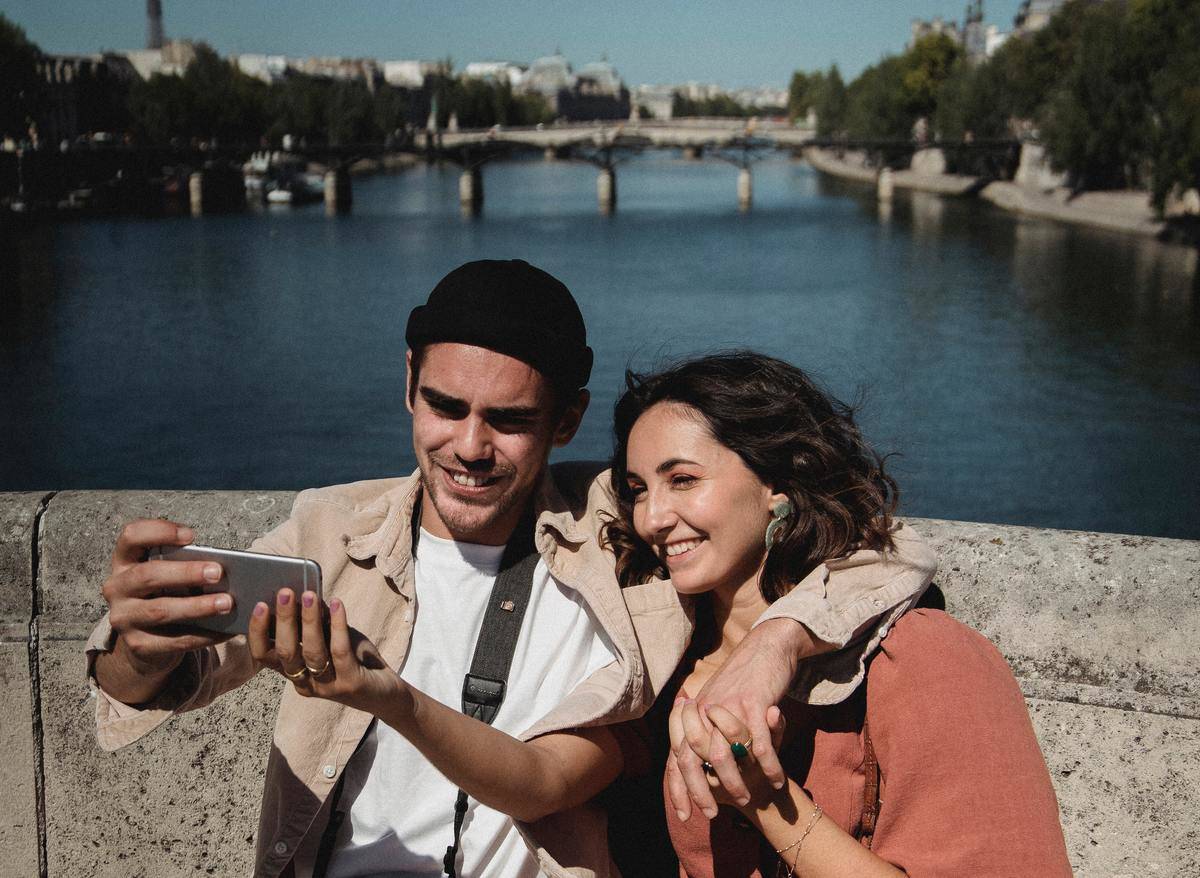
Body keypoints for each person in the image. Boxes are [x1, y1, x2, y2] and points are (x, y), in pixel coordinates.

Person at [87, 261, 936, 878]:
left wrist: (775, 643)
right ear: (408, 386)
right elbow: (151, 680)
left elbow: (886, 551)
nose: (468, 446)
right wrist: (142, 640)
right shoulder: (331, 529)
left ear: (566, 420)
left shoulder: (625, 527)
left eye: (509, 420)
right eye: (445, 406)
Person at [603, 351, 1073, 877]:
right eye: (638, 489)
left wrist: (761, 795)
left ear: (776, 483)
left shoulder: (922, 658)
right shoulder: (658, 663)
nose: (652, 518)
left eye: (684, 479)